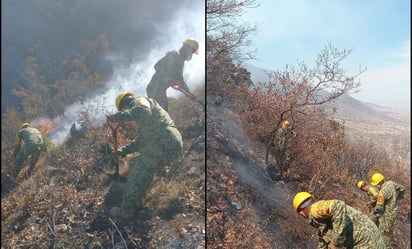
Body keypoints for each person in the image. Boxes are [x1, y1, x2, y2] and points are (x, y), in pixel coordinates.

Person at [107, 92, 183, 220]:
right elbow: (140, 141)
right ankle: (138, 205)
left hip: (163, 139)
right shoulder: (146, 122)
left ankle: (125, 211)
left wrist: (119, 116)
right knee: (145, 173)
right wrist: (122, 151)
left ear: (125, 106)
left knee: (137, 173)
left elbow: (143, 111)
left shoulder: (139, 101)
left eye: (123, 110)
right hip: (172, 142)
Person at [293, 191, 386, 249]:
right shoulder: (319, 217)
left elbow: (338, 205)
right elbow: (323, 239)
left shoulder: (315, 209)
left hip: (366, 242)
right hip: (369, 239)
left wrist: (336, 242)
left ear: (300, 212)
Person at [146, 38, 199, 112]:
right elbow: (157, 66)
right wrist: (169, 79)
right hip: (154, 89)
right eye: (192, 52)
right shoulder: (173, 55)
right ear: (187, 49)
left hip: (161, 91)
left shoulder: (180, 63)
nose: (191, 55)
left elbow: (180, 80)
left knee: (163, 114)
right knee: (161, 115)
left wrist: (188, 92)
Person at [369, 173, 405, 249]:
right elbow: (402, 188)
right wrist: (396, 197)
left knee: (384, 235)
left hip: (386, 216)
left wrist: (373, 210)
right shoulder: (391, 183)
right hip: (394, 213)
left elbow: (379, 208)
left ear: (378, 183)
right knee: (389, 233)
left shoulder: (382, 192)